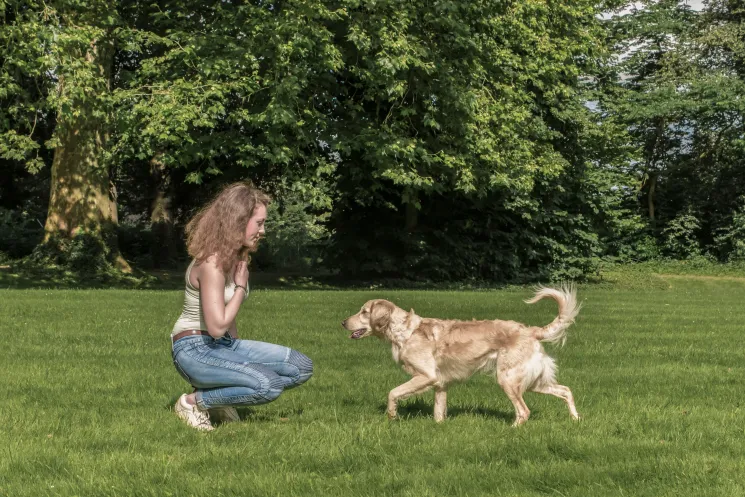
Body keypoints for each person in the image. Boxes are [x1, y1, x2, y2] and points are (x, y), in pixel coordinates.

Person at [170, 181, 313, 431]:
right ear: (238, 221)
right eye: (259, 223)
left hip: (221, 344)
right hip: (193, 349)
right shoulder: (211, 263)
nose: (263, 230)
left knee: (300, 367)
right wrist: (239, 287)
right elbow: (215, 327)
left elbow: (226, 326)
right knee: (269, 385)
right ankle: (194, 402)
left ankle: (222, 394)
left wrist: (237, 356)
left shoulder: (234, 257)